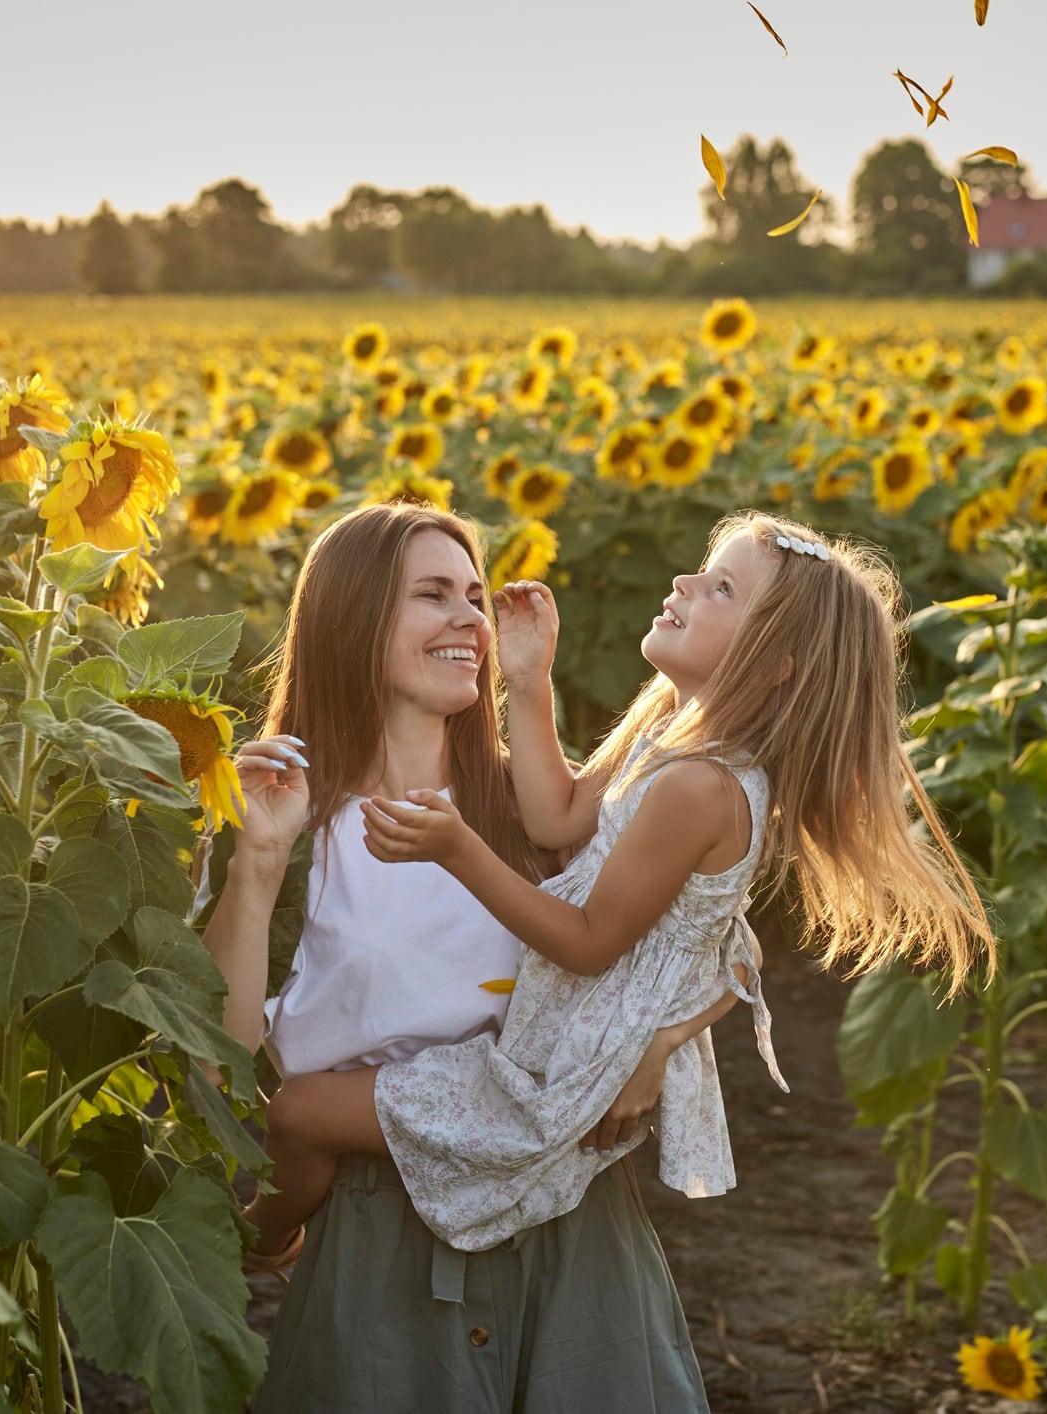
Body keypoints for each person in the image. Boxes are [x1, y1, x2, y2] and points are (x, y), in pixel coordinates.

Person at [242, 511, 996, 1263]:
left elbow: (593, 945)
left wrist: (458, 851)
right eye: (704, 569)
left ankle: (264, 1243)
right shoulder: (668, 732)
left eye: (721, 587)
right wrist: (530, 679)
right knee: (309, 1117)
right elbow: (555, 816)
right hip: (563, 1044)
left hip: (559, 1069)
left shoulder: (700, 786)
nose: (683, 581)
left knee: (303, 1114)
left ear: (773, 664)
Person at [194, 501, 721, 1411]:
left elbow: (714, 939)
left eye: (474, 597)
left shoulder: (534, 810)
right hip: (374, 1231)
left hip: (566, 1228)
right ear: (351, 619)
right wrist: (254, 867)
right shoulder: (284, 811)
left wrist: (660, 1041)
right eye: (433, 595)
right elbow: (218, 1059)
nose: (469, 621)